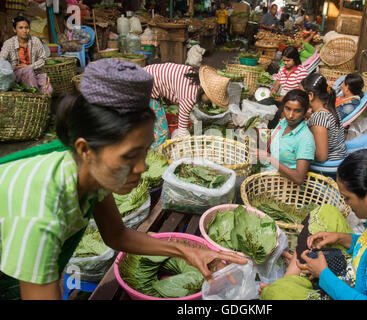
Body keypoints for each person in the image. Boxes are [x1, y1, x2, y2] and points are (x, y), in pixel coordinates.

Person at [0, 59, 246, 300]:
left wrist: (189, 251)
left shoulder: (90, 173)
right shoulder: (40, 212)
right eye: (129, 156)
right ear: (86, 150)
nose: (142, 167)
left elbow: (117, 234)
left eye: (145, 150)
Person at [260, 147, 367, 300]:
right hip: (362, 274)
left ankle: (289, 284)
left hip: (362, 291)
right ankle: (291, 280)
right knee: (326, 213)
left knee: (275, 295)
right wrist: (342, 238)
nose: (345, 203)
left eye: (347, 198)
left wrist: (324, 275)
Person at [143, 63, 230, 141]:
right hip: (144, 86)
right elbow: (182, 129)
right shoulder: (190, 96)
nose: (209, 102)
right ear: (205, 91)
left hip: (147, 75)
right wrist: (183, 144)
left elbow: (174, 86)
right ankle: (157, 152)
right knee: (162, 132)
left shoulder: (193, 75)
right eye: (210, 99)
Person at [257, 89, 315, 186]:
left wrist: (268, 158)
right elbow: (271, 146)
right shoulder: (282, 123)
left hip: (285, 188)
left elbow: (299, 178)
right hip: (268, 175)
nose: (290, 115)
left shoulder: (305, 138)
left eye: (297, 111)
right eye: (288, 108)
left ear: (305, 112)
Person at [302, 73, 347, 162]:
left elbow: (321, 157)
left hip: (329, 165)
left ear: (310, 95)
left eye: (302, 94)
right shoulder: (330, 108)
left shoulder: (317, 119)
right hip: (340, 156)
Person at [0, 16, 51, 94]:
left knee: (48, 90)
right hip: (16, 75)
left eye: (26, 27)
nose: (24, 30)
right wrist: (13, 67)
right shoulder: (9, 43)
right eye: (21, 28)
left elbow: (43, 59)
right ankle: (35, 97)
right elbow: (1, 60)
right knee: (28, 72)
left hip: (36, 73)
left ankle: (41, 100)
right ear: (14, 30)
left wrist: (30, 66)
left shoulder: (35, 41)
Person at [268, 46, 309, 129]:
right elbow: (278, 82)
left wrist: (285, 99)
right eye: (284, 60)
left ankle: (274, 132)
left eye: (288, 60)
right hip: (281, 98)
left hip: (294, 101)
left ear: (295, 59)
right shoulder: (282, 69)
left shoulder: (301, 72)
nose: (285, 63)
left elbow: (303, 93)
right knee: (264, 104)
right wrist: (274, 90)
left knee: (277, 115)